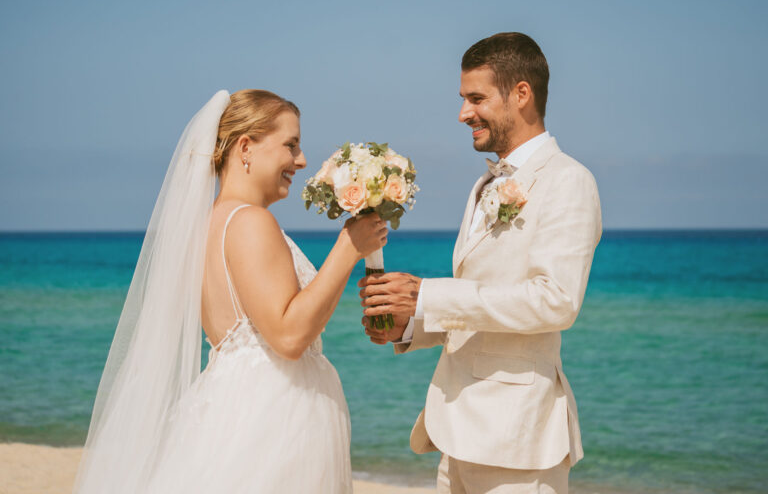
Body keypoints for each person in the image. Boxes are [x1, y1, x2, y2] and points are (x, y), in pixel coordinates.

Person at [73, 89, 386, 493]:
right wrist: (347, 250)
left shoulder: (207, 226)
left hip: (235, 405)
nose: (302, 160)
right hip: (272, 419)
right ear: (245, 148)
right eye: (290, 145)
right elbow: (288, 335)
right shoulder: (250, 222)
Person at [359, 32, 602, 493]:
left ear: (522, 94)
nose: (463, 113)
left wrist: (426, 294)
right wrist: (410, 323)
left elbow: (556, 301)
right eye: (463, 98)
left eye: (476, 98)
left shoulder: (569, 181)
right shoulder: (483, 185)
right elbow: (480, 305)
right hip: (456, 433)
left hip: (518, 442)